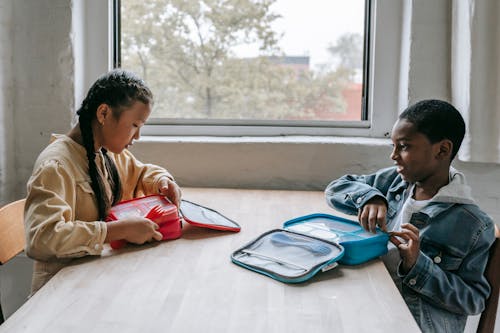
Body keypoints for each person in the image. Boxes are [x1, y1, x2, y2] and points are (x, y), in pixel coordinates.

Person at [325, 99, 496, 332]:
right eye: (393, 146)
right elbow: (337, 187)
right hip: (376, 299)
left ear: (442, 150)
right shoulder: (395, 182)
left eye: (404, 146)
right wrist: (371, 198)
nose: (393, 156)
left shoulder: (473, 225)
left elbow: (473, 300)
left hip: (416, 323)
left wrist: (418, 265)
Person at [24, 69, 182, 294]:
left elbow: (140, 173)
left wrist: (162, 181)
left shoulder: (106, 153)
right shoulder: (56, 166)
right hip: (58, 293)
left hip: (93, 281)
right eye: (135, 125)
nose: (137, 136)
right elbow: (42, 238)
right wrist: (117, 231)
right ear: (104, 113)